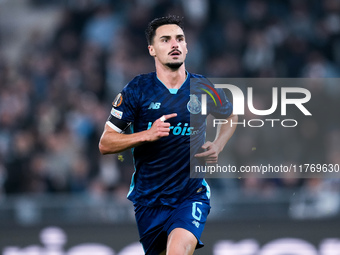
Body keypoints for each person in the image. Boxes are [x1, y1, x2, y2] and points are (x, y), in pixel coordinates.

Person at [99, 15, 237, 255]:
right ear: (152, 49)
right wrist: (146, 135)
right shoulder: (137, 90)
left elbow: (230, 116)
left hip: (190, 195)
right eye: (165, 40)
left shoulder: (203, 87)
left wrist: (218, 144)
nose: (174, 44)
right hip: (149, 201)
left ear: (186, 46)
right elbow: (106, 143)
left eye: (179, 39)